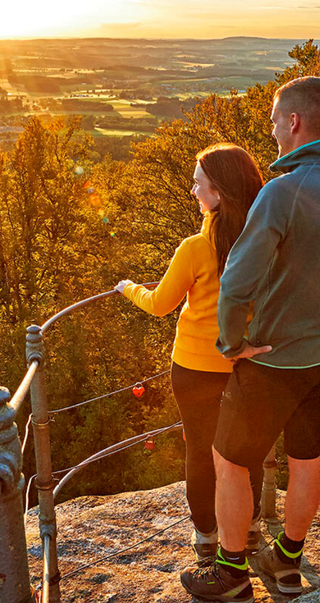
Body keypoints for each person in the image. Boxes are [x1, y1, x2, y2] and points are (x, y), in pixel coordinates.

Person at [181, 76, 320, 603]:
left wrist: (232, 344)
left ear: (293, 122)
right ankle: (285, 565)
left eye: (272, 120)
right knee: (305, 461)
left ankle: (230, 575)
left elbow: (238, 281)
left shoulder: (283, 190)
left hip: (273, 360)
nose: (270, 130)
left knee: (228, 460)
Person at [115, 143, 269, 561]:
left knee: (200, 452)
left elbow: (160, 304)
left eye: (198, 183)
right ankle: (250, 530)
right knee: (243, 450)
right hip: (247, 365)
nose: (193, 191)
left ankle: (206, 538)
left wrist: (126, 287)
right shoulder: (265, 242)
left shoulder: (195, 249)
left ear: (218, 191)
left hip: (195, 370)